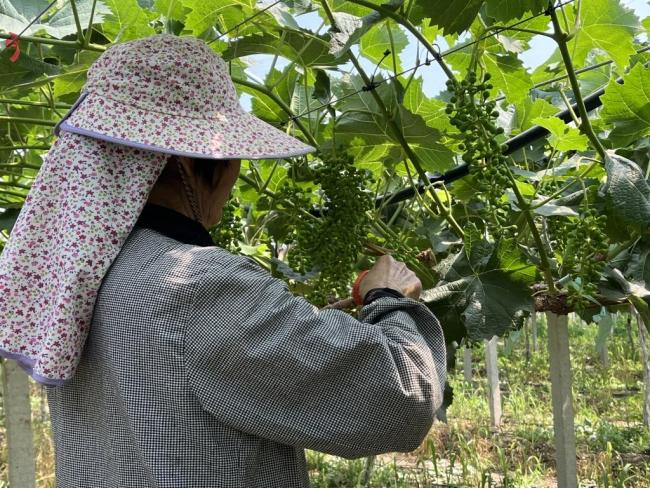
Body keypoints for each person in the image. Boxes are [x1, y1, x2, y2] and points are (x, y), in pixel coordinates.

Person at [0, 35, 446, 487]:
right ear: (190, 164)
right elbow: (401, 401)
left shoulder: (74, 279)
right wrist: (388, 298)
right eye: (232, 158)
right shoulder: (198, 288)